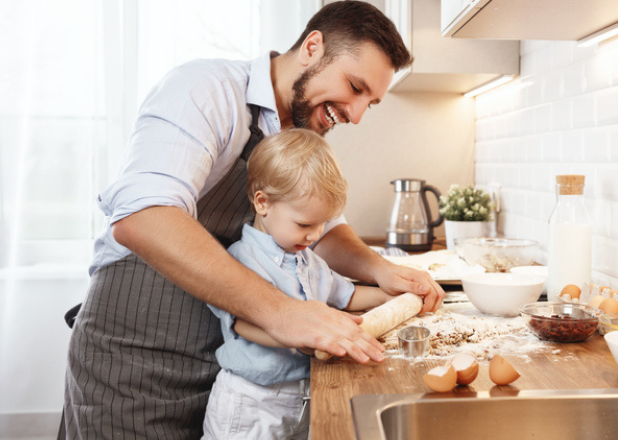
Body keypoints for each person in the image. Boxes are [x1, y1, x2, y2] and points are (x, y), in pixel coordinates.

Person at [59, 1, 446, 439]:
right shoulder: (206, 89)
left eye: (369, 104)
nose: (356, 114)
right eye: (355, 87)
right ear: (313, 47)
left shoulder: (300, 137)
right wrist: (282, 313)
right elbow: (144, 216)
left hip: (231, 361)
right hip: (138, 352)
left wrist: (383, 271)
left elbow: (327, 231)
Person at [202, 128, 394, 439]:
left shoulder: (310, 261)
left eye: (323, 223)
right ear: (263, 203)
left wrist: (389, 298)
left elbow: (348, 294)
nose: (316, 235)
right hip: (252, 404)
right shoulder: (242, 260)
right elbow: (242, 325)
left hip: (301, 399)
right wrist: (295, 336)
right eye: (305, 224)